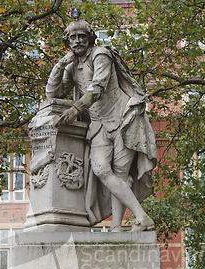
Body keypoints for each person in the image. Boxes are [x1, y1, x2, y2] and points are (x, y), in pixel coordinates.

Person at [46, 17, 157, 232]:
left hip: (123, 119)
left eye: (81, 36)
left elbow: (97, 88)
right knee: (100, 169)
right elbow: (53, 92)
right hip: (98, 125)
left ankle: (117, 227)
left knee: (120, 174)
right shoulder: (72, 66)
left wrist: (75, 110)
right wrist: (60, 64)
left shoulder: (100, 54)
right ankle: (142, 216)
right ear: (67, 42)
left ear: (90, 38)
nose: (77, 41)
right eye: (72, 38)